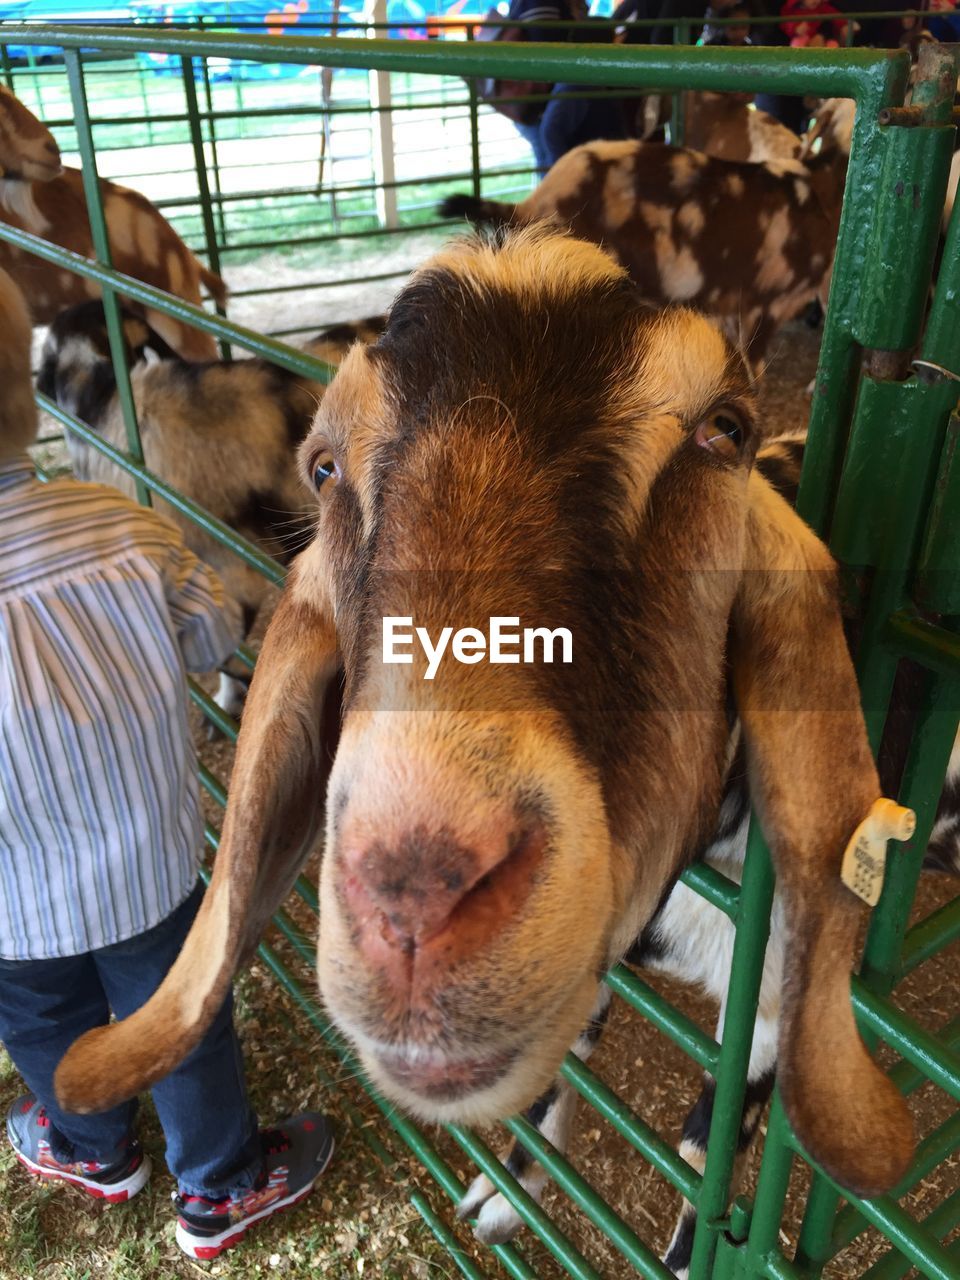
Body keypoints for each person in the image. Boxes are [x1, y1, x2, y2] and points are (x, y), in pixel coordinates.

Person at [0, 269, 333, 1262]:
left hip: (13, 906)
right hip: (150, 866)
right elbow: (208, 636)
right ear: (29, 399)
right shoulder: (125, 530)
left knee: (46, 1023)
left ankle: (94, 1146)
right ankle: (219, 1184)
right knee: (183, 1017)